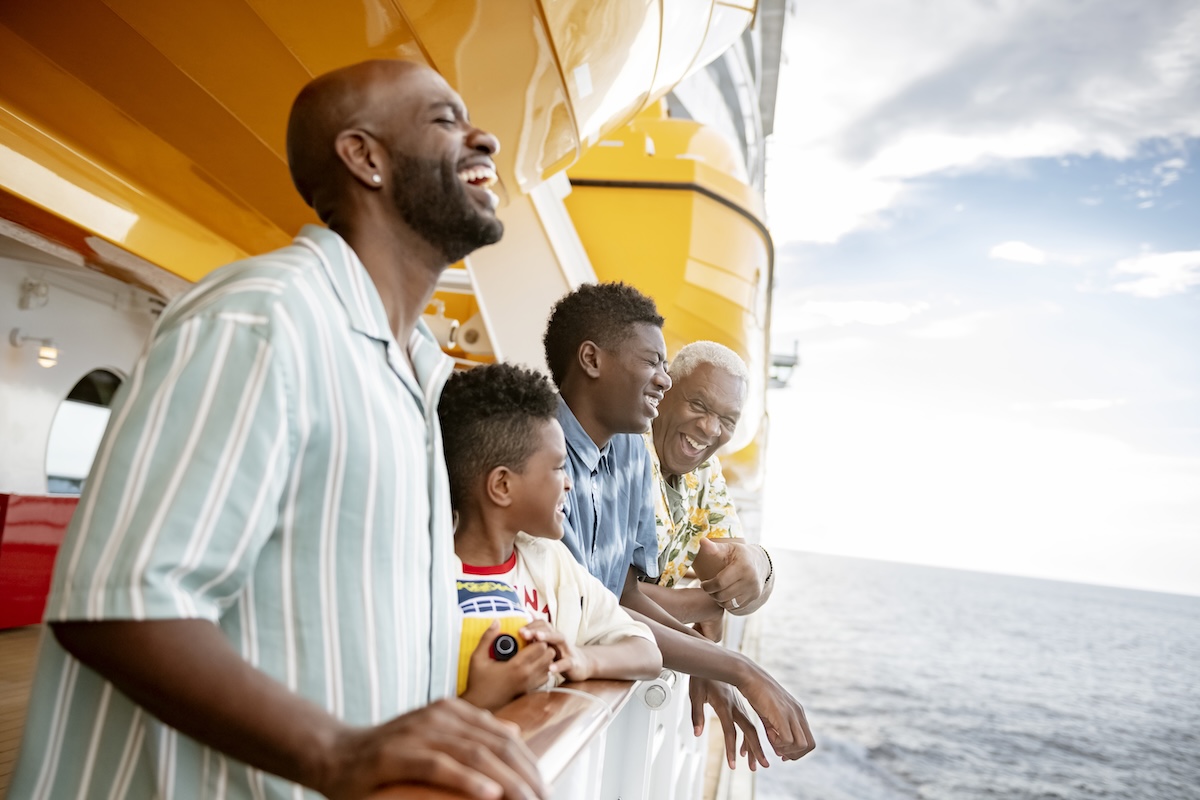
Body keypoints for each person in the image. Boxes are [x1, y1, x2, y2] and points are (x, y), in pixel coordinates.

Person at [9, 60, 546, 800]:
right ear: (366, 158)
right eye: (445, 119)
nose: (483, 136)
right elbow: (119, 601)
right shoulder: (265, 317)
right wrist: (339, 752)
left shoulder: (414, 374)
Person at [541, 282, 815, 769]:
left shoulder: (623, 448)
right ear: (592, 359)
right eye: (653, 363)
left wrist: (711, 659)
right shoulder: (543, 454)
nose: (663, 380)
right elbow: (589, 606)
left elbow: (623, 593)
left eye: (726, 418)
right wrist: (736, 667)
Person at [438, 362, 662, 711]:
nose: (569, 482)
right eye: (558, 468)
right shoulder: (430, 581)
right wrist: (480, 699)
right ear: (502, 485)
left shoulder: (551, 561)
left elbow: (647, 651)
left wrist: (581, 658)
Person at [639, 341, 776, 638]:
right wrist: (699, 606)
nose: (711, 428)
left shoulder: (704, 471)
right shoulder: (629, 446)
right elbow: (605, 589)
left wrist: (758, 562)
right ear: (665, 390)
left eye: (727, 420)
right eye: (698, 405)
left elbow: (736, 589)